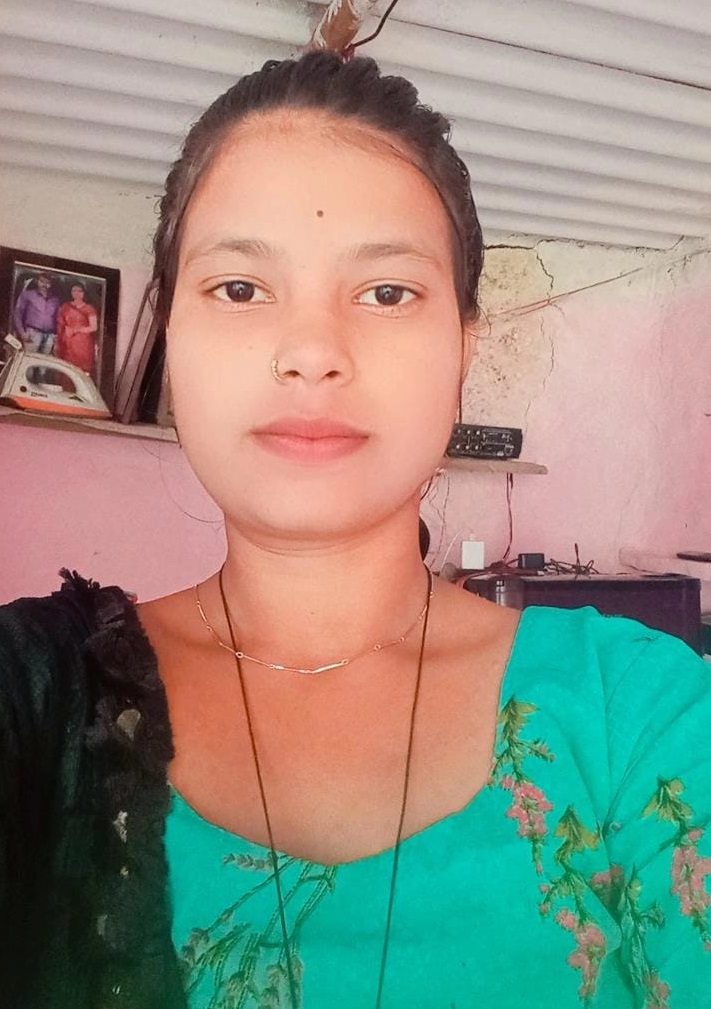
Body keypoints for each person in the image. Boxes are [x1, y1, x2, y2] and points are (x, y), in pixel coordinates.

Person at [0, 51, 709, 1009]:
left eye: (385, 292)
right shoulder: (37, 697)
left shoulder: (639, 717)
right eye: (240, 288)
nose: (312, 352)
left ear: (462, 346)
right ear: (172, 335)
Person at [55, 281, 98, 375]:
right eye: (74, 290)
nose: (77, 293)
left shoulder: (89, 308)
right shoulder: (66, 306)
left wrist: (76, 330)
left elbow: (94, 327)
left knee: (82, 371)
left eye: (80, 291)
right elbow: (60, 324)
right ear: (71, 292)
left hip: (83, 344)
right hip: (67, 342)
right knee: (66, 370)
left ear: (84, 293)